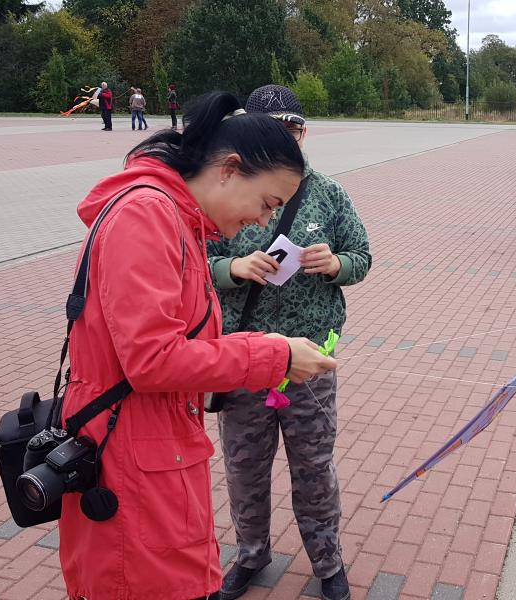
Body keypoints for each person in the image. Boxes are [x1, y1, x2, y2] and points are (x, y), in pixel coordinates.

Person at [58, 91, 337, 600]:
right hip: (130, 458)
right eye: (266, 203)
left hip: (151, 449)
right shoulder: (147, 215)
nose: (261, 222)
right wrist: (274, 354)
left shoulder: (177, 218)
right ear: (230, 169)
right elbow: (153, 360)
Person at [207, 84, 371, 600]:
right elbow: (190, 265)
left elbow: (362, 256)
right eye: (278, 129)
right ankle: (251, 554)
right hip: (243, 357)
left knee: (314, 467)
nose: (290, 137)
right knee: (243, 467)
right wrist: (232, 268)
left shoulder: (327, 191)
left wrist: (336, 265)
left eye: (295, 128)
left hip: (308, 362)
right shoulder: (223, 190)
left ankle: (328, 563)